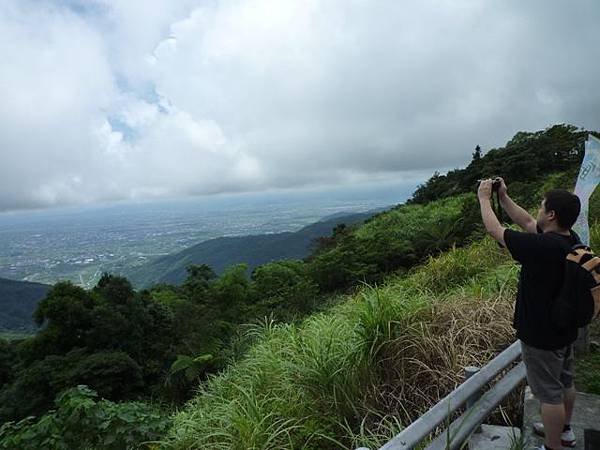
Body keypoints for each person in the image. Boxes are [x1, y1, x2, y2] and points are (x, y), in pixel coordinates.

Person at [477, 178, 581, 450]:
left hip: (541, 334)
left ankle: (553, 446)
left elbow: (495, 230)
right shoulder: (568, 239)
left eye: (541, 205)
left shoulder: (541, 248)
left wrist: (484, 199)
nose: (537, 209)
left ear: (551, 215)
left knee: (548, 395)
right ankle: (565, 431)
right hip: (564, 328)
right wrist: (504, 199)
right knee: (565, 382)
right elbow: (525, 222)